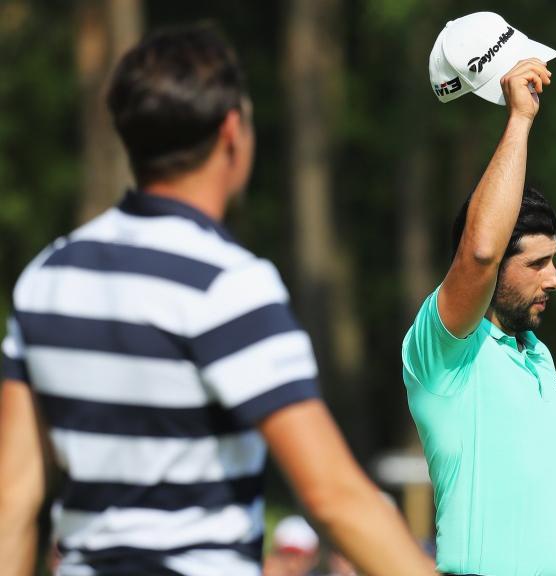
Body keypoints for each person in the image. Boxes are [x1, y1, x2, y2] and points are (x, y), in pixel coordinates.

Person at [0, 24, 435, 576]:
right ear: (233, 130)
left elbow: (12, 501)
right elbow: (333, 496)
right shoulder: (227, 285)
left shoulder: (47, 276)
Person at [403, 12, 556, 576]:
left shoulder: (537, 354)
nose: (554, 279)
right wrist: (519, 122)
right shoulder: (445, 351)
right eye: (538, 264)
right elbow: (480, 252)